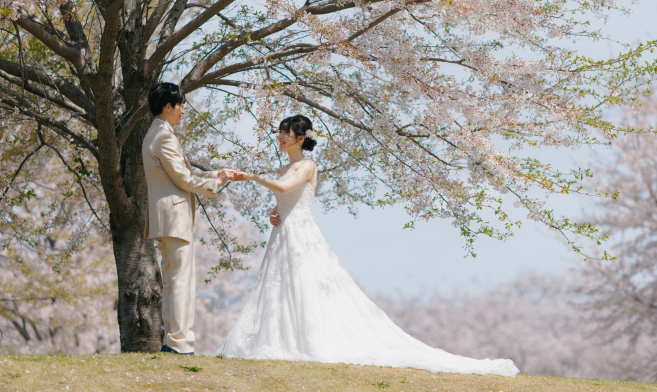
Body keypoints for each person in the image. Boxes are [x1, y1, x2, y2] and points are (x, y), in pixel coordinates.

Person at [215, 114, 519, 376]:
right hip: (283, 234)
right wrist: (274, 212)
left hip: (302, 235)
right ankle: (277, 339)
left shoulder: (307, 166)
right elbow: (283, 196)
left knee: (306, 284)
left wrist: (252, 176)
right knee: (277, 285)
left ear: (299, 138)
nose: (281, 137)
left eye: (286, 132)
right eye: (280, 132)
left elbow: (283, 188)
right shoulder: (284, 169)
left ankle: (309, 339)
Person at [142, 82, 240, 355]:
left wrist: (217, 174)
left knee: (172, 282)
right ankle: (181, 343)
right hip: (174, 218)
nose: (184, 111)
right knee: (182, 281)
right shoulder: (164, 137)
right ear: (168, 106)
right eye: (181, 105)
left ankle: (173, 341)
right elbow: (183, 178)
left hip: (165, 218)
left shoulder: (154, 134)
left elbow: (177, 174)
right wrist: (215, 183)